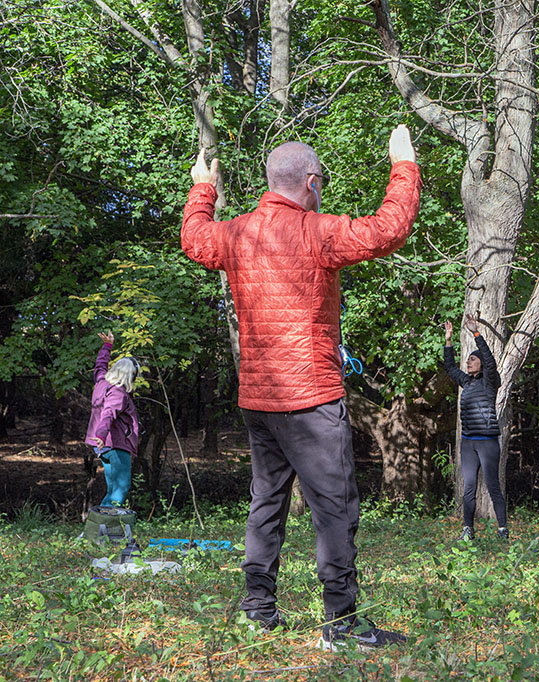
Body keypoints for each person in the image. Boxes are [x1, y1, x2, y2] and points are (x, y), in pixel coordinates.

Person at [181, 126, 421, 650]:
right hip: (310, 397)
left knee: (266, 503)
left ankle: (257, 611)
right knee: (334, 508)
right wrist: (402, 165)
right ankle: (340, 624)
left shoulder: (238, 233)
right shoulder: (317, 231)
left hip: (258, 401)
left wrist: (205, 187)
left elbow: (194, 238)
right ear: (310, 182)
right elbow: (388, 229)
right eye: (323, 182)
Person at [443, 315, 507, 542]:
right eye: (468, 360)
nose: (468, 362)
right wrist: (448, 340)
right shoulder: (466, 382)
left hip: (487, 442)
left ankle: (502, 530)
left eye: (472, 360)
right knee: (468, 489)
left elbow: (490, 361)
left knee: (492, 486)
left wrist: (476, 333)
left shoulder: (488, 382)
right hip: (468, 442)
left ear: (480, 364)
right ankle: (468, 531)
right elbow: (449, 367)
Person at [84, 331, 140, 507]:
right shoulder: (118, 393)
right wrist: (101, 436)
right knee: (120, 489)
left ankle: (94, 530)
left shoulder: (101, 383)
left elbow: (100, 366)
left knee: (112, 490)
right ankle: (105, 530)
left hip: (103, 446)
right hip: (114, 445)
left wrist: (107, 347)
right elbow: (108, 415)